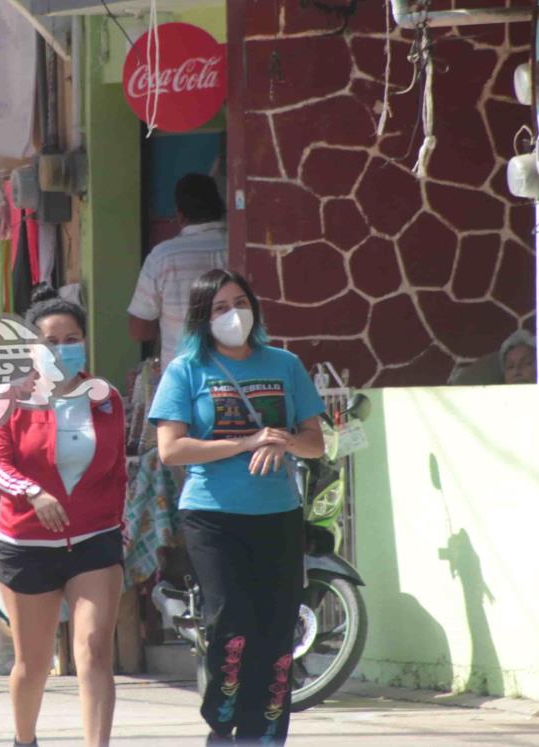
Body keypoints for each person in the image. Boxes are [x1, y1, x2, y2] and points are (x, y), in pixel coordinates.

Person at [149, 269, 326, 745]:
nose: (234, 315)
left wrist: (284, 439)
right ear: (203, 319)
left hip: (278, 513)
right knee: (231, 619)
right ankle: (221, 712)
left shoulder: (285, 364)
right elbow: (171, 450)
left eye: (240, 303)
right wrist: (245, 442)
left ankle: (264, 732)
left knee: (276, 629)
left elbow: (315, 443)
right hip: (212, 514)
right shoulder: (187, 369)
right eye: (221, 308)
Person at [0, 285, 127, 747]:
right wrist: (33, 493)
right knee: (33, 663)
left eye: (72, 338)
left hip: (95, 542)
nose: (62, 348)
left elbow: (119, 470)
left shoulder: (107, 399)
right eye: (50, 340)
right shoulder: (9, 398)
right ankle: (25, 740)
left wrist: (116, 527)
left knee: (94, 650)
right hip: (27, 545)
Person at [128, 173, 228, 369]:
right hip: (238, 373)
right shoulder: (244, 248)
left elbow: (139, 331)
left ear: (180, 215)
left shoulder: (163, 257)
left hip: (184, 375)